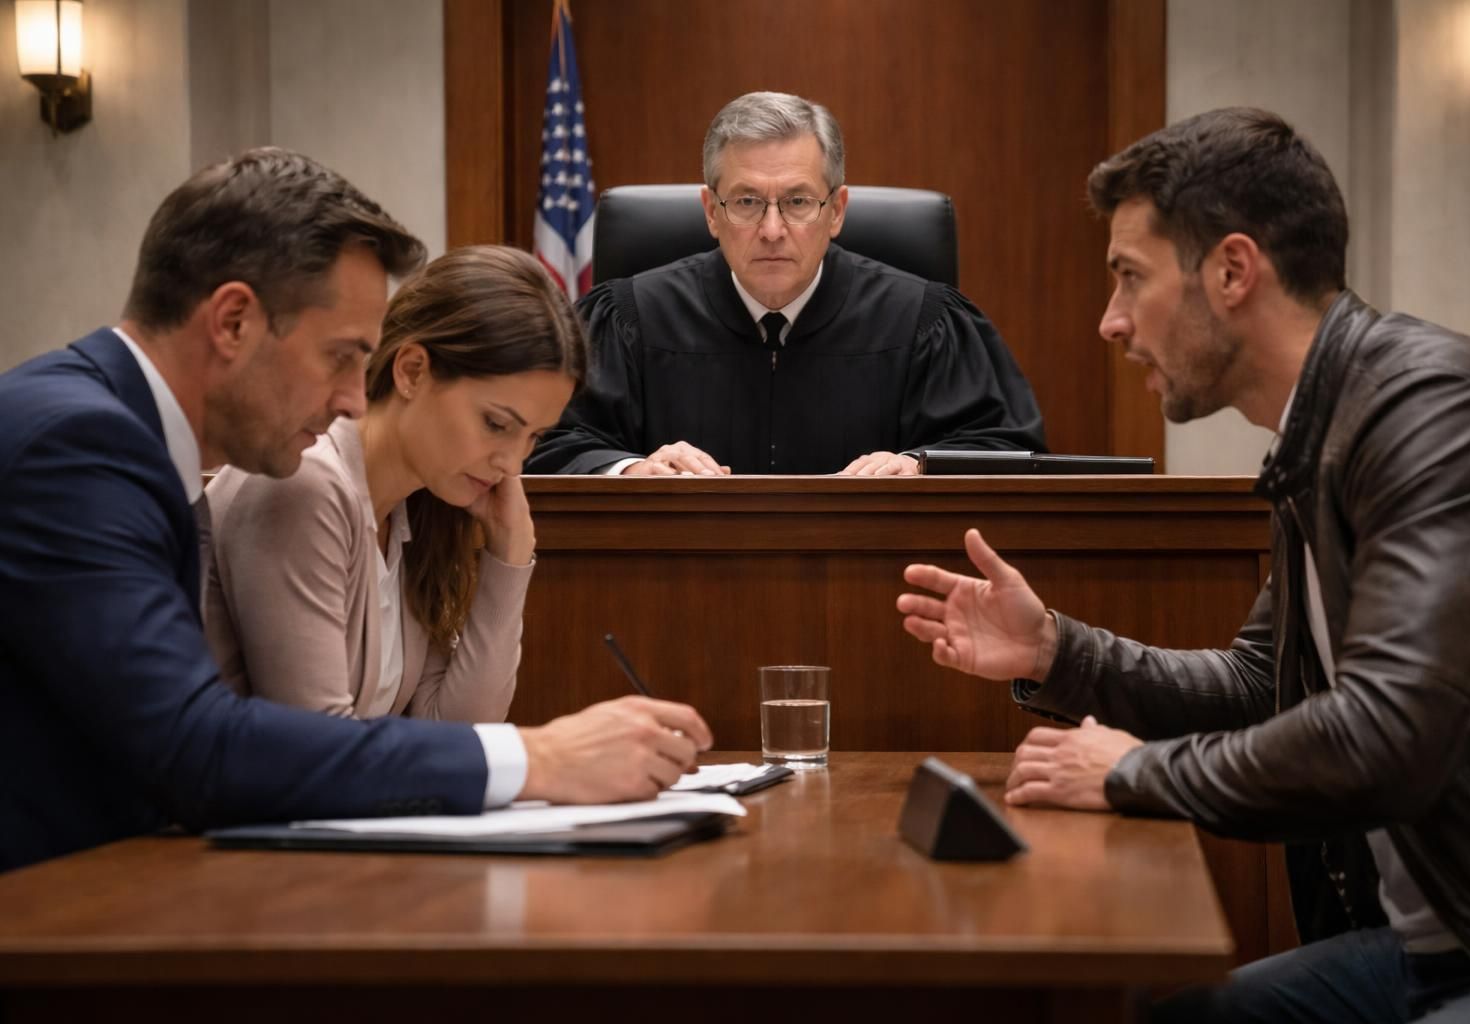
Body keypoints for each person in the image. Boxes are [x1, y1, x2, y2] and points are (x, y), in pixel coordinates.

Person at [896, 108, 1470, 1020]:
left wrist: (1132, 774)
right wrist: (1055, 651)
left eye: (1130, 276)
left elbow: (1389, 735)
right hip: (1426, 947)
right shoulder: (1323, 429)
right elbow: (1256, 687)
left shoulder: (1433, 414)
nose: (1110, 321)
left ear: (1233, 271)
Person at [0, 148, 712, 874]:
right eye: (340, 356)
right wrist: (540, 757)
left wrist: (508, 564)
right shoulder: (78, 445)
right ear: (233, 321)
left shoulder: (119, 437)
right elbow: (195, 745)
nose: (351, 398)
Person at [525, 90, 1046, 477]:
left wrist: (917, 464)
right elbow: (545, 443)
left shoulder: (922, 321)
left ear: (836, 211)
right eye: (747, 202)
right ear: (711, 212)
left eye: (797, 201)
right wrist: (630, 469)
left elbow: (1007, 450)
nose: (772, 230)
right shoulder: (631, 317)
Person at [205, 245, 577, 721]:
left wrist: (510, 555)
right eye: (496, 423)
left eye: (534, 437)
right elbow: (316, 747)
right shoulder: (306, 482)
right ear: (412, 371)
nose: (511, 464)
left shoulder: (417, 503)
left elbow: (454, 729)